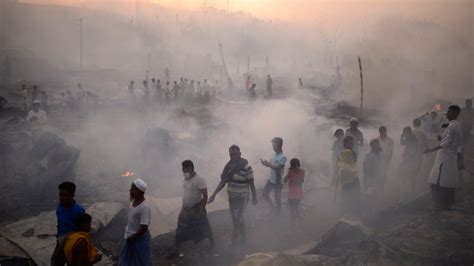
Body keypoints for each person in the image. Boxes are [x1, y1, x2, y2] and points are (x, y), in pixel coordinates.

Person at [208, 145, 257, 246]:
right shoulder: (229, 167)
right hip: (232, 197)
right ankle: (243, 239)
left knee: (237, 219)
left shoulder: (247, 167)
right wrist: (214, 194)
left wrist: (254, 197)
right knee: (237, 218)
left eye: (235, 154)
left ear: (240, 154)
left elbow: (251, 184)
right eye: (231, 155)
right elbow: (223, 181)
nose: (233, 156)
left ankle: (234, 242)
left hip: (243, 197)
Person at [170, 160, 215, 257]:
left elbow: (205, 196)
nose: (183, 172)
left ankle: (212, 244)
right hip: (185, 208)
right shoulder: (185, 179)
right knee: (180, 228)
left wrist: (200, 209)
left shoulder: (200, 180)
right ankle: (176, 249)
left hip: (196, 208)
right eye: (182, 170)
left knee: (204, 227)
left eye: (184, 170)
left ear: (191, 168)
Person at [425, 105, 462, 210]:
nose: (447, 114)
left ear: (455, 113)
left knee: (439, 181)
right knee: (444, 181)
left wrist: (430, 149)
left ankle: (440, 204)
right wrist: (441, 138)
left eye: (449, 112)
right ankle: (445, 204)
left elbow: (446, 143)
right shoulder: (454, 125)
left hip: (446, 158)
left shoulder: (453, 126)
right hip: (447, 157)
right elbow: (449, 141)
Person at [119, 178, 153, 266]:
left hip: (140, 240)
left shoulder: (144, 207)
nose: (130, 190)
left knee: (143, 261)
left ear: (138, 191)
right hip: (131, 237)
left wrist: (133, 237)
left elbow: (144, 228)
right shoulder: (132, 202)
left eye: (132, 189)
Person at [51, 182, 85, 266]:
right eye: (60, 195)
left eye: (64, 195)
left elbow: (83, 229)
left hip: (73, 242)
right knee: (55, 259)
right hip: (61, 238)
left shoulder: (79, 211)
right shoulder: (59, 206)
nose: (61, 198)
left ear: (72, 195)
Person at [333, 136, 360, 218]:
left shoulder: (351, 153)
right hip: (348, 179)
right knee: (348, 197)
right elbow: (339, 165)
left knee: (351, 197)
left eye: (352, 142)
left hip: (351, 178)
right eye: (350, 142)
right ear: (345, 143)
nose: (352, 144)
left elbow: (340, 164)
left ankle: (348, 215)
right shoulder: (344, 153)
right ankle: (346, 216)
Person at [261, 137, 287, 216]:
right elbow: (270, 165)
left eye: (274, 145)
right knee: (265, 194)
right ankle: (272, 207)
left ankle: (278, 213)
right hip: (271, 179)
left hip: (278, 181)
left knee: (277, 198)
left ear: (279, 145)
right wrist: (265, 164)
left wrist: (269, 165)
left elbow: (279, 169)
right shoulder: (273, 155)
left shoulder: (283, 157)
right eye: (272, 145)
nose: (272, 147)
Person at [399, 126, 421, 199]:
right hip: (407, 158)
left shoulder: (413, 138)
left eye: (404, 133)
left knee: (409, 175)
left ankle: (409, 193)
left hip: (411, 160)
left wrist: (407, 156)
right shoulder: (408, 137)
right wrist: (401, 137)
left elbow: (413, 150)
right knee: (406, 175)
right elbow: (402, 143)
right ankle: (408, 192)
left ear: (408, 132)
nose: (404, 134)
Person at [284, 158, 305, 229]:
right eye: (294, 167)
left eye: (296, 166)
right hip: (291, 193)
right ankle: (299, 220)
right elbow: (285, 180)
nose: (295, 168)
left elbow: (301, 183)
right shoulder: (290, 171)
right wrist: (287, 176)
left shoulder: (302, 172)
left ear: (298, 165)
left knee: (294, 209)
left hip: (298, 194)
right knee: (292, 209)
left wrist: (294, 176)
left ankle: (293, 225)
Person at [377, 126, 394, 195]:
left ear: (385, 131)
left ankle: (381, 191)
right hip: (377, 161)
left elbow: (390, 153)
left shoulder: (390, 141)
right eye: (380, 132)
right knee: (376, 176)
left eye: (383, 132)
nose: (381, 133)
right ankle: (377, 191)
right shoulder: (377, 139)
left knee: (383, 177)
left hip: (385, 162)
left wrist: (381, 152)